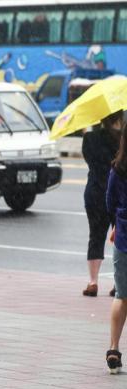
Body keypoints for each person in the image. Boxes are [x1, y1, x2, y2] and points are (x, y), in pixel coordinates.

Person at [82, 110, 123, 297]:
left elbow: (90, 160)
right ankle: (118, 283)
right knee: (121, 237)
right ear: (119, 119)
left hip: (95, 192)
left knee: (96, 235)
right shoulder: (122, 138)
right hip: (119, 192)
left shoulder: (89, 139)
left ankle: (93, 281)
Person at [105, 123, 127, 374]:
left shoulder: (118, 168)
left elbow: (110, 202)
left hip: (124, 238)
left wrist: (118, 224)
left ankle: (113, 348)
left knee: (122, 295)